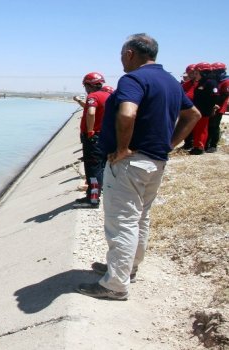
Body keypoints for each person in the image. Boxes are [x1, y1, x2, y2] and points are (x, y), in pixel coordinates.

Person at [76, 33, 201, 300]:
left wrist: (122, 149)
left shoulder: (134, 79)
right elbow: (193, 115)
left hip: (131, 164)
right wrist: (169, 144)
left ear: (131, 53)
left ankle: (115, 285)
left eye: (122, 55)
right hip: (155, 162)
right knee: (140, 218)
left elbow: (127, 112)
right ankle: (127, 268)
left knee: (123, 221)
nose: (121, 60)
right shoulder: (169, 81)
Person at [72, 73, 111, 208]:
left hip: (94, 138)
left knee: (92, 168)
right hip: (105, 137)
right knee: (101, 166)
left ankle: (93, 199)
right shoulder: (107, 96)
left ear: (89, 85)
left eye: (85, 86)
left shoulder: (93, 96)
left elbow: (91, 112)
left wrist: (90, 131)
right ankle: (96, 193)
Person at [189, 62, 218, 155]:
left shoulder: (210, 82)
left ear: (203, 73)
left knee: (201, 129)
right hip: (198, 110)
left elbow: (214, 96)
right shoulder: (201, 83)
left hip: (204, 111)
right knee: (197, 129)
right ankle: (196, 145)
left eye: (196, 73)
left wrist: (210, 108)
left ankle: (199, 147)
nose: (195, 75)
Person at [206, 62, 227, 153]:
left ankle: (213, 145)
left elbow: (224, 95)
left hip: (219, 107)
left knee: (214, 126)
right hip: (212, 106)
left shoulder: (226, 81)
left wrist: (216, 105)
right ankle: (207, 142)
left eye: (215, 71)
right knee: (209, 125)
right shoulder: (216, 81)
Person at [180, 64, 199, 150]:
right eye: (190, 73)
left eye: (193, 73)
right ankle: (188, 143)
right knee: (186, 126)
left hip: (198, 108)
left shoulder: (201, 84)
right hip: (187, 109)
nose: (191, 75)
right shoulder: (185, 85)